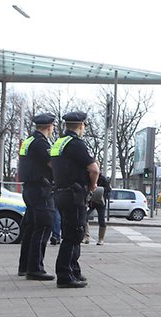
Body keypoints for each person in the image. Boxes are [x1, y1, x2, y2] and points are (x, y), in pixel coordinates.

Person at [50, 111, 99, 288]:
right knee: (74, 234)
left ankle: (73, 270)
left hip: (61, 192)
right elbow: (94, 169)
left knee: (70, 232)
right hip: (74, 194)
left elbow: (50, 165)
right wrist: (93, 186)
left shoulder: (59, 143)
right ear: (81, 125)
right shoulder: (76, 144)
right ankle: (65, 275)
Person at [17, 113, 57, 280]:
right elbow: (52, 163)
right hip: (41, 189)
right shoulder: (41, 143)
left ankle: (24, 266)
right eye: (53, 126)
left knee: (31, 228)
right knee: (43, 226)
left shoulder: (28, 141)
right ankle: (35, 269)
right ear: (49, 127)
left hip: (30, 189)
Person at [85, 174, 111, 245]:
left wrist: (99, 189)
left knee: (101, 219)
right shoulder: (89, 177)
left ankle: (101, 239)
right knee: (84, 217)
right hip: (91, 201)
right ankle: (86, 236)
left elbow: (108, 189)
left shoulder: (103, 179)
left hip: (100, 201)